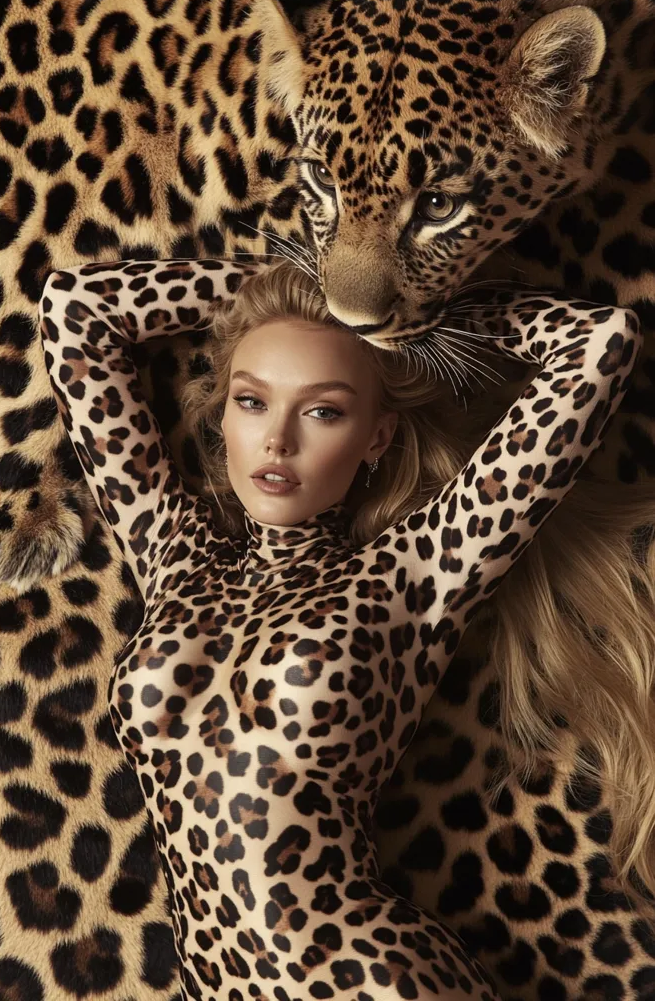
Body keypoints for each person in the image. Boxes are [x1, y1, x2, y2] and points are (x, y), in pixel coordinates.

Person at [40, 257, 642, 1001]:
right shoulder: (173, 558)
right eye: (253, 401)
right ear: (222, 413)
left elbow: (599, 341)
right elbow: (75, 308)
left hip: (371, 981)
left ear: (378, 437)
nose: (278, 440)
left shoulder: (414, 573)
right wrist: (300, 279)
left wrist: (387, 305)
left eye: (323, 410)